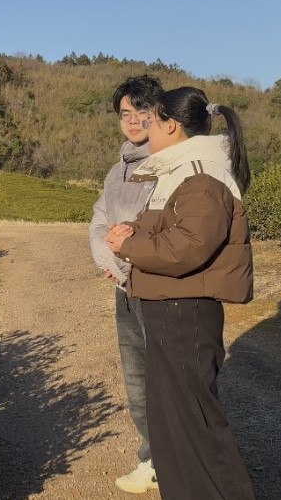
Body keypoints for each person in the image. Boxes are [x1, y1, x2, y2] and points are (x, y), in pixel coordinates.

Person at [105, 86, 257, 500]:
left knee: (195, 424)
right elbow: (172, 230)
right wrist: (130, 232)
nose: (142, 128)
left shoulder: (199, 173)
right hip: (168, 306)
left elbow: (189, 247)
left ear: (170, 125)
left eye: (149, 121)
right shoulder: (178, 170)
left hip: (183, 310)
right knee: (171, 423)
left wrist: (127, 247)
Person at [87, 74, 163, 493]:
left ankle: (179, 460)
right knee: (137, 380)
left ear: (161, 113)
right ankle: (151, 459)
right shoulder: (118, 170)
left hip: (158, 288)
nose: (133, 121)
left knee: (169, 379)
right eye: (125, 113)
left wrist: (126, 254)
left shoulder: (167, 162)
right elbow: (99, 221)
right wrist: (112, 263)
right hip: (124, 287)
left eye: (142, 112)